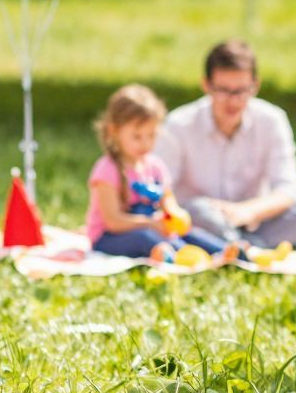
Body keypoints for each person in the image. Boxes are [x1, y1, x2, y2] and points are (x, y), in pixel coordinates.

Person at [156, 41, 296, 251]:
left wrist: (247, 211)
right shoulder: (178, 125)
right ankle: (257, 249)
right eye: (223, 90)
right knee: (198, 209)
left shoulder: (272, 119)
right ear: (206, 85)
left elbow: (289, 189)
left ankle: (239, 249)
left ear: (255, 86)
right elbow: (161, 190)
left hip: (256, 219)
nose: (233, 101)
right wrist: (214, 210)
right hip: (205, 221)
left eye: (241, 91)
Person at [88, 84, 238, 263]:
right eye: (137, 136)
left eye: (151, 135)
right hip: (109, 237)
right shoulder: (107, 169)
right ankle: (183, 257)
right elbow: (113, 221)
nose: (145, 143)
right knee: (145, 237)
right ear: (114, 131)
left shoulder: (155, 166)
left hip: (151, 228)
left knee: (187, 233)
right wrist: (150, 223)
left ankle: (226, 251)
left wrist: (174, 215)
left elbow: (168, 199)